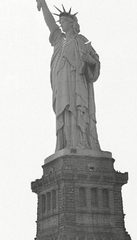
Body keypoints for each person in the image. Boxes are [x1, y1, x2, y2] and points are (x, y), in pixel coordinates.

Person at [36, 0, 101, 152]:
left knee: (78, 109)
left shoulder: (81, 40)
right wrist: (43, 5)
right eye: (60, 21)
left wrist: (87, 59)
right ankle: (66, 144)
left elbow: (95, 61)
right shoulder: (59, 39)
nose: (61, 24)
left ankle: (82, 143)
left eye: (64, 21)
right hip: (62, 82)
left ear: (72, 23)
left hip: (77, 81)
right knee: (65, 111)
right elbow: (50, 23)